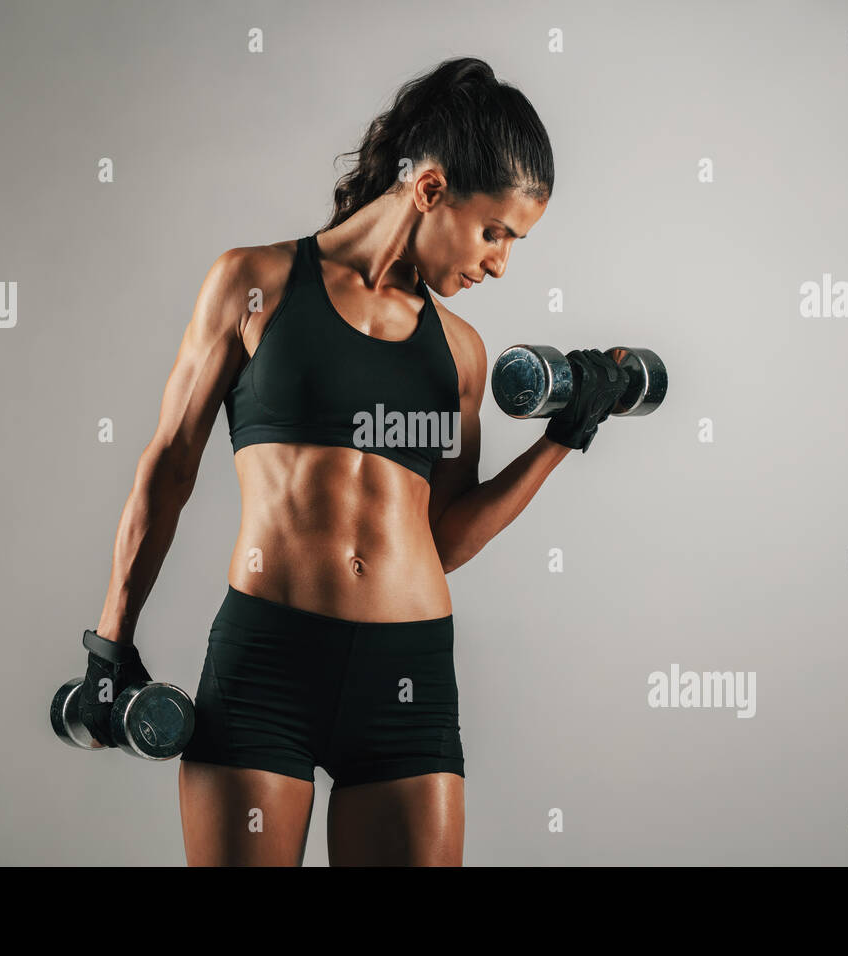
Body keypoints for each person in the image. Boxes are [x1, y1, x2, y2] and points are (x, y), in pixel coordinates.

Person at [76, 56, 629, 865]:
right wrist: (109, 642)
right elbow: (169, 467)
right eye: (495, 231)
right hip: (267, 664)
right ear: (431, 189)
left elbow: (442, 539)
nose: (501, 262)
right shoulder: (255, 285)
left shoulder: (462, 354)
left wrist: (561, 438)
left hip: (407, 680)